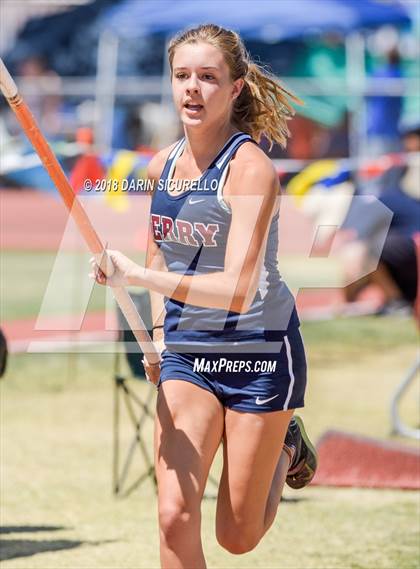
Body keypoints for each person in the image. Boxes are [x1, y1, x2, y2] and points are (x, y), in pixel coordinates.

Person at [91, 24, 317, 568]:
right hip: (189, 353)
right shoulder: (159, 167)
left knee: (237, 535)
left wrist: (141, 279)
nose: (192, 88)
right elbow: (159, 257)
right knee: (173, 514)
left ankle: (287, 442)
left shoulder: (250, 169)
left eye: (208, 77)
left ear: (235, 88)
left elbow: (237, 291)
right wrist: (158, 342)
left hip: (259, 354)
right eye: (182, 76)